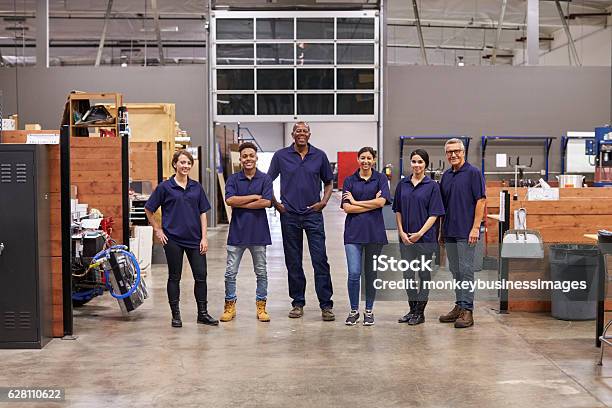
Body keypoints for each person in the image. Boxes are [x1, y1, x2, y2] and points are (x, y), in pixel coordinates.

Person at [267, 121, 335, 321]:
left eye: (305, 131)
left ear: (309, 134)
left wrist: (323, 202)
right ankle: (297, 303)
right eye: (298, 131)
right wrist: (276, 204)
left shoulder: (319, 156)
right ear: (293, 134)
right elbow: (267, 180)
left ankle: (326, 305)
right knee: (293, 261)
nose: (301, 134)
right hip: (289, 216)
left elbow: (329, 182)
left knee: (320, 260)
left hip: (313, 215)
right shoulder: (281, 156)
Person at [144, 150, 218, 328]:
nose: (185, 166)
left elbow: (202, 213)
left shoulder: (196, 187)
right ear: (175, 164)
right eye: (182, 162)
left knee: (201, 276)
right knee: (174, 277)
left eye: (188, 163)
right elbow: (149, 209)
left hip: (195, 240)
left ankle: (202, 314)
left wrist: (204, 238)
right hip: (173, 240)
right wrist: (158, 230)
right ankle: (175, 315)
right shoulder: (165, 187)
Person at [220, 142, 273, 323]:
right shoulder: (233, 179)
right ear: (240, 159)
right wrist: (253, 197)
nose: (248, 159)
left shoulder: (265, 179)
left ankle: (261, 306)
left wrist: (241, 203)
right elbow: (230, 200)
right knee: (230, 273)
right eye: (245, 156)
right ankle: (230, 305)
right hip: (237, 233)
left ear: (256, 157)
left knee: (261, 272)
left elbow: (266, 202)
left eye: (251, 155)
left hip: (259, 234)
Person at [438, 138, 486, 328]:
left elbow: (480, 201)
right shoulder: (447, 176)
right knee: (455, 271)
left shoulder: (473, 173)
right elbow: (443, 205)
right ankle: (459, 306)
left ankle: (468, 311)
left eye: (456, 151)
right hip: (449, 231)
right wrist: (441, 231)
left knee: (466, 271)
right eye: (449, 152)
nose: (453, 155)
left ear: (463, 152)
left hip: (466, 232)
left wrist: (475, 228)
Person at [393, 149, 445, 325]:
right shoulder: (403, 185)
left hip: (425, 239)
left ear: (426, 164)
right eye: (414, 161)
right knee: (407, 274)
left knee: (423, 274)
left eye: (420, 162)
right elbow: (397, 210)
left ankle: (420, 312)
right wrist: (401, 232)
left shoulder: (432, 186)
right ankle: (412, 309)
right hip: (405, 239)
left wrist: (420, 233)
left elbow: (435, 214)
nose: (416, 165)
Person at [341, 147, 391, 326]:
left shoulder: (381, 179)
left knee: (371, 273)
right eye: (362, 158)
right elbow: (347, 208)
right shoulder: (349, 180)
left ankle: (368, 311)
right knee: (354, 273)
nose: (365, 161)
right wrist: (372, 204)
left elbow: (382, 202)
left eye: (369, 158)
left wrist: (356, 202)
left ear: (374, 160)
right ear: (357, 159)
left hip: (374, 233)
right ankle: (354, 310)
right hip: (353, 234)